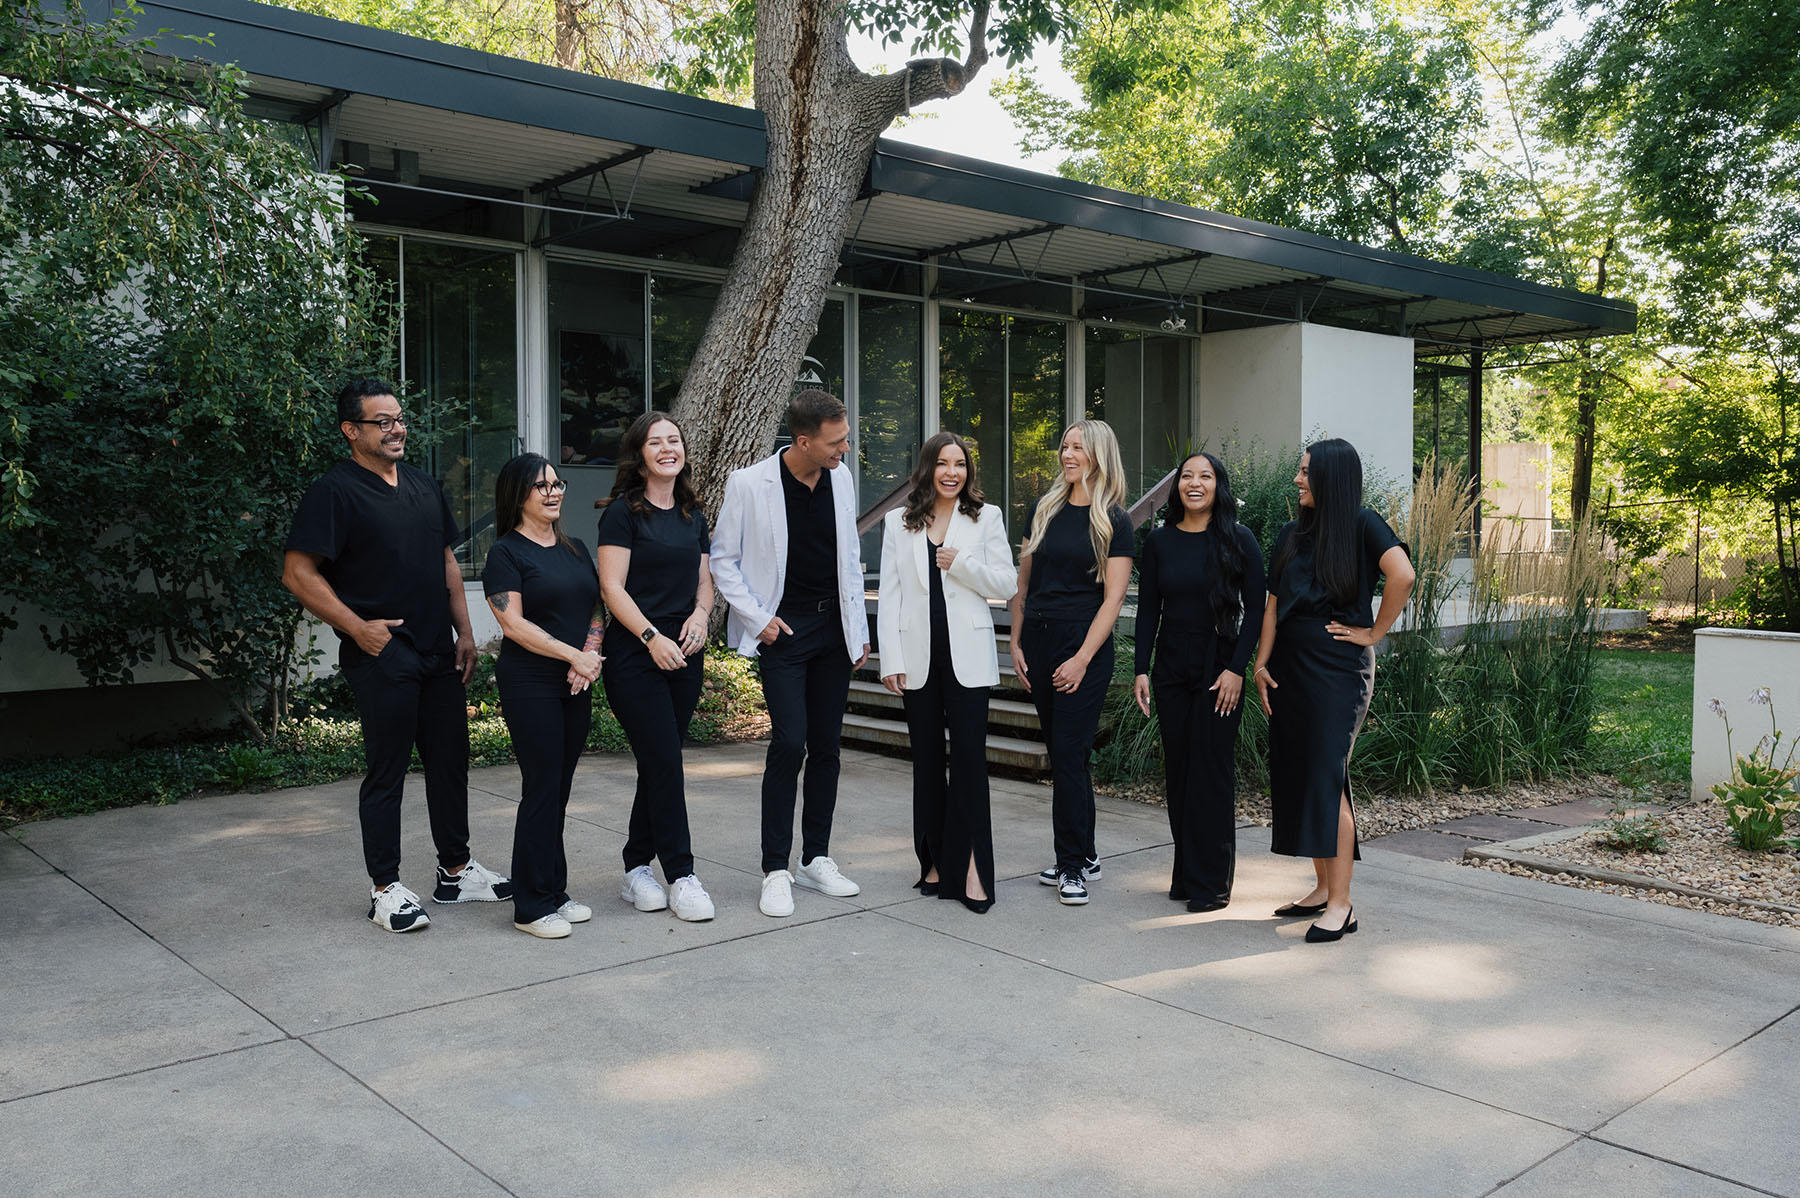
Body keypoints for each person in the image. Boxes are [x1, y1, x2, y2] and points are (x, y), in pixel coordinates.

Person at [282, 379, 512, 933]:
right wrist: (357, 628)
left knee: (450, 762)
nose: (396, 429)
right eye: (382, 421)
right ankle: (385, 889)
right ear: (351, 430)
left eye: (399, 419)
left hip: (438, 650)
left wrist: (464, 630)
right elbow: (297, 573)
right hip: (383, 654)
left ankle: (455, 872)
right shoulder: (334, 491)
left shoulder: (422, 484)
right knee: (387, 771)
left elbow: (445, 561)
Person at [711, 389, 871, 918]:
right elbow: (723, 560)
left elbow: (849, 556)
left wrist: (858, 628)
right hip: (783, 632)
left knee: (827, 746)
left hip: (834, 630)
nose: (844, 449)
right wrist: (759, 619)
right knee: (789, 743)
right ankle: (775, 869)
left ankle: (815, 858)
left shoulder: (840, 478)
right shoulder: (749, 483)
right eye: (835, 441)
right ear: (803, 441)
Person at [1253, 438, 1414, 943]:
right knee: (1303, 777)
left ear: (1330, 477)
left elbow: (1403, 575)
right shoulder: (1291, 533)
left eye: (1305, 472)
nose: (1297, 479)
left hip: (1338, 672)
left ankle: (1342, 905)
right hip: (1289, 669)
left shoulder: (1364, 524)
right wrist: (1260, 662)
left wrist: (1374, 633)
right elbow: (1272, 605)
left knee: (1327, 779)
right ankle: (1324, 889)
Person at [877, 433, 1018, 914]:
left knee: (970, 764)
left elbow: (1007, 583)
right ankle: (935, 862)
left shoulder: (985, 517)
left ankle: (974, 869)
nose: (952, 473)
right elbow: (891, 594)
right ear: (928, 468)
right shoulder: (899, 522)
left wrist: (962, 565)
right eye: (942, 463)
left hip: (969, 659)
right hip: (917, 659)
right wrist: (891, 660)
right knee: (927, 764)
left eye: (960, 464)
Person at [1132, 452, 1266, 913]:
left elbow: (1257, 610)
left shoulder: (1239, 539)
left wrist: (1237, 669)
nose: (1195, 483)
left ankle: (1212, 883)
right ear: (1177, 488)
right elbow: (1148, 609)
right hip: (1171, 668)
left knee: (1211, 773)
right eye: (1187, 476)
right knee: (1180, 772)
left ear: (1218, 485)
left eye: (1205, 476)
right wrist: (1141, 668)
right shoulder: (1159, 541)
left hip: (1218, 667)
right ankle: (1188, 874)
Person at [596, 410, 717, 923]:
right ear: (639, 455)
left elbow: (704, 581)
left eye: (674, 440)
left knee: (658, 762)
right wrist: (650, 637)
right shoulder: (622, 514)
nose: (668, 448)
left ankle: (635, 867)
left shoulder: (693, 515)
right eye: (655, 442)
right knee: (666, 761)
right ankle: (682, 874)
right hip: (636, 652)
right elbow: (611, 588)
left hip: (685, 650)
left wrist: (701, 616)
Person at [1009, 420, 1134, 907]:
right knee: (1069, 756)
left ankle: (1071, 866)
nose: (1068, 453)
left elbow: (1114, 599)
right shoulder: (1043, 509)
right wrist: (1015, 641)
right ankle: (1087, 853)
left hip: (1084, 646)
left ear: (1099, 454)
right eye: (1065, 445)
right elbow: (1024, 584)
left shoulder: (1114, 520)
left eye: (1078, 447)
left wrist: (1081, 658)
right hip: (1038, 641)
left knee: (1066, 753)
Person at [480, 454, 602, 939]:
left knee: (561, 789)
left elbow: (596, 606)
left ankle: (554, 891)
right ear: (519, 495)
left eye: (557, 483)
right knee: (542, 788)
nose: (553, 493)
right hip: (530, 682)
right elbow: (513, 624)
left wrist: (588, 655)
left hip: (575, 679)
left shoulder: (575, 548)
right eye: (541, 486)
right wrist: (574, 655)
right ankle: (530, 906)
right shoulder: (505, 554)